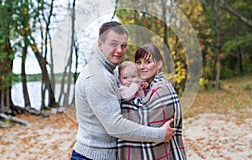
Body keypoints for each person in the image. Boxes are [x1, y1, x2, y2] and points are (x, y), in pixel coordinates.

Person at [71, 21, 177, 160]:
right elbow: (115, 126)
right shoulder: (97, 77)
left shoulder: (113, 71)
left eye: (123, 45)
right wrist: (159, 134)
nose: (120, 50)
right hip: (93, 156)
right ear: (100, 44)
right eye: (114, 44)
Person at [118, 43, 187, 160]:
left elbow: (145, 116)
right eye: (139, 63)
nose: (142, 67)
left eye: (148, 62)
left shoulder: (162, 87)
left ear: (159, 64)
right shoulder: (145, 86)